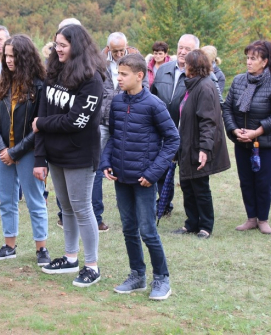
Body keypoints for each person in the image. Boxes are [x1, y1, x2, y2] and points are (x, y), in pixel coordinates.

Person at [100, 54, 179, 299]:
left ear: (139, 76)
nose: (119, 78)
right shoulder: (116, 102)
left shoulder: (154, 105)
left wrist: (153, 173)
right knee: (129, 229)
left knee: (148, 231)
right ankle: (137, 275)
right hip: (121, 178)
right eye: (118, 73)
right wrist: (106, 161)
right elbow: (114, 137)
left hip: (144, 180)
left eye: (123, 74)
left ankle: (161, 279)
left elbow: (173, 139)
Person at [32, 24, 105, 288]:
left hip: (80, 155)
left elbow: (77, 121)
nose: (58, 49)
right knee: (66, 208)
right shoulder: (54, 71)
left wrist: (42, 124)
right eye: (56, 44)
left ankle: (92, 266)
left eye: (63, 45)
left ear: (77, 45)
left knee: (82, 207)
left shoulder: (92, 78)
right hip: (54, 154)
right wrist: (40, 157)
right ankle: (70, 257)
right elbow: (42, 112)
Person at [0, 34, 50, 266]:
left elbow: (40, 127)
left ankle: (41, 249)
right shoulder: (3, 81)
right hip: (2, 151)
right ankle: (9, 246)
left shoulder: (40, 85)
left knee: (35, 200)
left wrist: (16, 152)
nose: (9, 60)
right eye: (6, 55)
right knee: (7, 200)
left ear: (25, 57)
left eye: (13, 56)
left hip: (29, 152)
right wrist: (2, 148)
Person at [222, 40, 271, 234]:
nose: (248, 62)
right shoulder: (238, 81)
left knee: (262, 181)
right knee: (246, 180)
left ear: (265, 61)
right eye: (248, 58)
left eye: (253, 58)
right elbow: (227, 108)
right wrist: (235, 130)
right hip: (242, 142)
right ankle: (251, 218)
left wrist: (256, 132)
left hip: (266, 143)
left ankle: (263, 219)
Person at [91, 32, 150, 233]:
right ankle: (95, 215)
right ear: (108, 49)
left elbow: (146, 88)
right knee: (97, 165)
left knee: (130, 162)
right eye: (115, 51)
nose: (118, 54)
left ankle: (135, 214)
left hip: (127, 120)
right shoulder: (98, 62)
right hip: (102, 120)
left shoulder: (136, 61)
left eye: (122, 50)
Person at [172, 50, 230, 239]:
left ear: (193, 67)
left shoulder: (205, 87)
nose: (183, 65)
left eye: (186, 63)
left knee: (200, 186)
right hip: (186, 143)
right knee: (187, 185)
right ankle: (191, 224)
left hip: (198, 145)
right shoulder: (192, 85)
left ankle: (205, 226)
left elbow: (208, 121)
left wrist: (205, 148)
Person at [151, 34, 199, 216]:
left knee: (187, 174)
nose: (183, 52)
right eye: (180, 47)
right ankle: (163, 204)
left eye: (188, 49)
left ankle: (193, 213)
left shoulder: (200, 74)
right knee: (161, 169)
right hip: (163, 130)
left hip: (187, 132)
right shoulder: (163, 70)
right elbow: (153, 96)